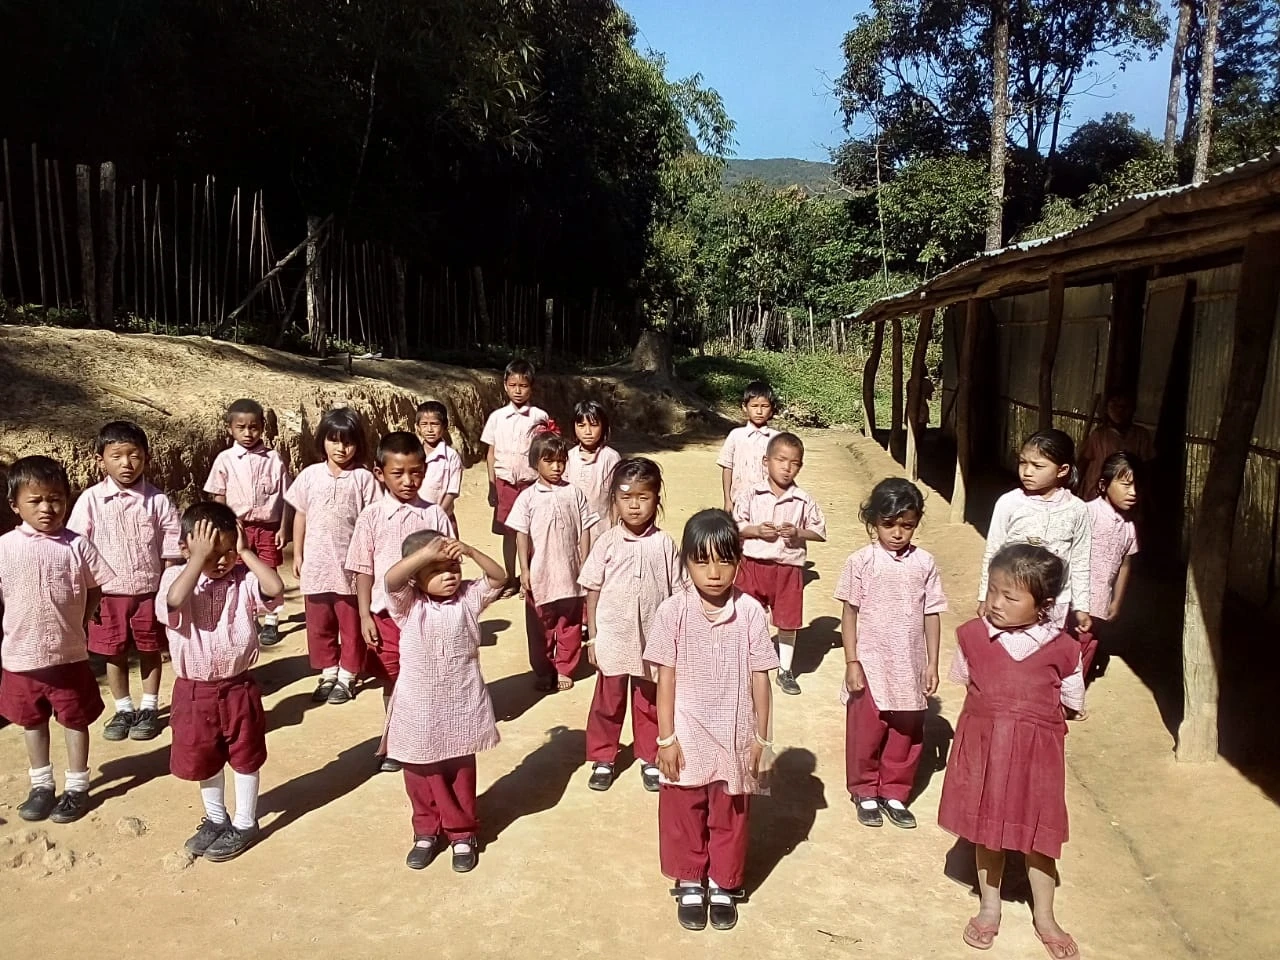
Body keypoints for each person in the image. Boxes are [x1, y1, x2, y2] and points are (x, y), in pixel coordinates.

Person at [938, 544, 1084, 959]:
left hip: (1037, 760)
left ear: (1044, 606)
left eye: (1010, 596)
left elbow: (1073, 703)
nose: (995, 603)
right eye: (993, 590)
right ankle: (989, 907)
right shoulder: (972, 636)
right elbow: (965, 680)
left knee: (1040, 836)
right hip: (987, 752)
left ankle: (1046, 917)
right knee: (989, 832)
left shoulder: (1064, 649)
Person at [647, 509, 777, 932]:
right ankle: (689, 879)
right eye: (701, 561)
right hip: (686, 731)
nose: (714, 572)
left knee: (730, 811)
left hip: (735, 733)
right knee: (684, 808)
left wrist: (762, 737)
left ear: (739, 561)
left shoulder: (752, 613)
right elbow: (664, 679)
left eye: (724, 560)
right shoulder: (672, 612)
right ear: (685, 563)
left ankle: (723, 882)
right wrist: (665, 739)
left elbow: (761, 677)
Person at [157, 502, 285, 862]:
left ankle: (245, 823)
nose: (222, 561)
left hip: (238, 686)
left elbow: (274, 587)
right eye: (212, 553)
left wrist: (244, 552)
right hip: (194, 690)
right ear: (186, 549)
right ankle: (216, 818)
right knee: (204, 757)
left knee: (245, 755)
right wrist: (196, 560)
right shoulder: (175, 578)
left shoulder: (243, 580)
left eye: (227, 551)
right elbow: (174, 601)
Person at [385, 530, 507, 873]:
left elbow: (498, 576)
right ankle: (425, 830)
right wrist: (426, 554)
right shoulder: (409, 606)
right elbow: (391, 580)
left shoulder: (468, 599)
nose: (450, 575)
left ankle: (462, 833)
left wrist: (468, 548)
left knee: (459, 771)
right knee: (419, 770)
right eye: (436, 571)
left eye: (453, 566)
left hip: (461, 703)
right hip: (418, 706)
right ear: (417, 576)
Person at [0, 456, 112, 824]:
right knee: (32, 722)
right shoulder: (4, 548)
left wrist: (82, 618)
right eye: (36, 500)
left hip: (69, 655)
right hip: (21, 658)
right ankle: (42, 785)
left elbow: (96, 585)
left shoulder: (76, 545)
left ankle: (78, 786)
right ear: (14, 504)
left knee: (74, 720)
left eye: (56, 499)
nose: (47, 508)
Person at [836, 478, 947, 829]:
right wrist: (851, 661)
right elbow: (850, 614)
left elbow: (932, 613)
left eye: (907, 525)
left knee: (906, 733)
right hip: (870, 663)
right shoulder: (861, 562)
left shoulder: (925, 564)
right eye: (889, 524)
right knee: (866, 732)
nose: (898, 533)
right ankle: (865, 790)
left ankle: (895, 791)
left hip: (909, 666)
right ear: (873, 521)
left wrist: (931, 663)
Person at [345, 432, 453, 771]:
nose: (409, 480)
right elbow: (362, 570)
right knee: (395, 679)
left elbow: (451, 561)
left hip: (427, 615)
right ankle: (395, 741)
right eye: (398, 473)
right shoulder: (372, 517)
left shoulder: (435, 515)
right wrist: (364, 616)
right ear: (380, 474)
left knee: (427, 676)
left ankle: (428, 737)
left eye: (417, 472)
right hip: (386, 615)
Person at [68, 421, 181, 742]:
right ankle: (123, 708)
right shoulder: (90, 501)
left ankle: (148, 707)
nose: (126, 463)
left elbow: (171, 548)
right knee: (113, 654)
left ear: (146, 457)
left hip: (148, 593)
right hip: (106, 597)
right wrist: (86, 597)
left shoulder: (157, 501)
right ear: (100, 459)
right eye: (116, 456)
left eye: (134, 455)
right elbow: (77, 549)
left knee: (149, 650)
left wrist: (168, 589)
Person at [579, 457, 682, 793]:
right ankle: (603, 757)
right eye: (627, 497)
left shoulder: (664, 544)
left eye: (644, 497)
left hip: (652, 642)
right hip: (612, 638)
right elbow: (592, 589)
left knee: (649, 701)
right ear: (615, 501)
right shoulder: (607, 542)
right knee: (608, 702)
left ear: (656, 499)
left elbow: (679, 592)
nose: (635, 505)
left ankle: (649, 757)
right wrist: (592, 637)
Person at [285, 408, 380, 705]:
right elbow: (300, 515)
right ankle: (328, 671)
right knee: (319, 623)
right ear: (322, 441)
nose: (341, 448)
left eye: (349, 442)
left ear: (359, 444)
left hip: (350, 567)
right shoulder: (309, 476)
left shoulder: (364, 479)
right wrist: (297, 554)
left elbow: (372, 521)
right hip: (316, 563)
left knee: (350, 623)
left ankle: (348, 675)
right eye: (334, 441)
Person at [733, 432, 827, 696]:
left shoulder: (803, 500)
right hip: (753, 564)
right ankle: (747, 664)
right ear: (767, 461)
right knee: (748, 615)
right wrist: (755, 531)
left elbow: (819, 531)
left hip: (788, 569)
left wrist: (799, 532)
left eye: (794, 463)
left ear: (800, 466)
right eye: (781, 460)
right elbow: (735, 525)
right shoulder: (751, 494)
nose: (787, 468)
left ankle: (785, 670)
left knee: (787, 621)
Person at [977, 429, 1091, 640]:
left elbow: (1081, 560)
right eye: (1023, 463)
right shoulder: (1009, 503)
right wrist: (985, 594)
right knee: (1010, 648)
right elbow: (993, 551)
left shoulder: (1078, 509)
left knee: (1046, 652)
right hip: (1013, 598)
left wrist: (1081, 606)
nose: (1027, 472)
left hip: (1057, 601)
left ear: (1062, 470)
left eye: (1038, 466)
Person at [507, 432, 598, 692]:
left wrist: (586, 562)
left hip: (570, 572)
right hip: (540, 574)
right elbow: (521, 535)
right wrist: (523, 569)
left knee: (569, 624)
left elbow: (584, 529)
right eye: (549, 461)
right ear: (536, 464)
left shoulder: (574, 493)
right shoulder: (527, 498)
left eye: (561, 461)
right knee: (539, 627)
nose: (557, 467)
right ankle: (544, 669)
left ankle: (564, 668)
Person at [203, 398, 291, 646]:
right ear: (229, 428)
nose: (248, 433)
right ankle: (249, 615)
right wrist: (223, 530)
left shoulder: (274, 459)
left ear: (263, 427)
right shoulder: (225, 459)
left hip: (268, 528)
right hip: (237, 528)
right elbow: (218, 496)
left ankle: (272, 619)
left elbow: (286, 497)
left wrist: (284, 528)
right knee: (239, 571)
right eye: (241, 427)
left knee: (269, 571)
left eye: (253, 427)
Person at [481, 359, 550, 595]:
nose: (518, 391)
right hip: (505, 484)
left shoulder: (540, 417)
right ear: (505, 385)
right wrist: (492, 486)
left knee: (532, 533)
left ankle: (530, 579)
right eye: (513, 385)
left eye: (523, 386)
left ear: (531, 387)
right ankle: (510, 578)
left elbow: (546, 452)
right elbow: (490, 454)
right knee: (509, 533)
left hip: (532, 484)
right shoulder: (497, 418)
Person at [1082, 452, 1140, 688]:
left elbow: (1126, 562)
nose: (1133, 492)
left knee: (1089, 645)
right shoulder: (1087, 513)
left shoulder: (1128, 527)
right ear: (1103, 485)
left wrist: (1117, 600)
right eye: (1126, 485)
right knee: (1068, 646)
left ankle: (1072, 696)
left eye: (1138, 486)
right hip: (1077, 598)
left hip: (1101, 601)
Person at [564, 399, 621, 556]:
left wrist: (615, 527)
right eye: (581, 426)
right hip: (573, 526)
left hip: (602, 526)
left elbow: (616, 496)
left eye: (594, 425)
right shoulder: (569, 457)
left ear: (603, 427)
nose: (587, 431)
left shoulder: (611, 457)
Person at [717, 380, 779, 512]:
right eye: (754, 406)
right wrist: (727, 499)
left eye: (764, 406)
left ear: (772, 408)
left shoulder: (776, 439)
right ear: (745, 407)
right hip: (739, 501)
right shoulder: (736, 436)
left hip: (768, 502)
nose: (759, 411)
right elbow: (727, 468)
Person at [1078, 393, 1154, 500]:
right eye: (1114, 406)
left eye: (1124, 407)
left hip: (1127, 493)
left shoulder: (1141, 435)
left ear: (1133, 410)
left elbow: (1148, 466)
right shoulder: (1099, 435)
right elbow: (1083, 462)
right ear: (1106, 409)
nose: (1119, 411)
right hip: (1096, 494)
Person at [414, 400, 463, 534]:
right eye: (424, 424)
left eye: (435, 424)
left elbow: (452, 491)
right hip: (415, 518)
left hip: (443, 519)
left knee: (447, 553)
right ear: (417, 427)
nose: (429, 429)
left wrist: (438, 516)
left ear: (445, 426)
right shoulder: (413, 454)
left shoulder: (451, 456)